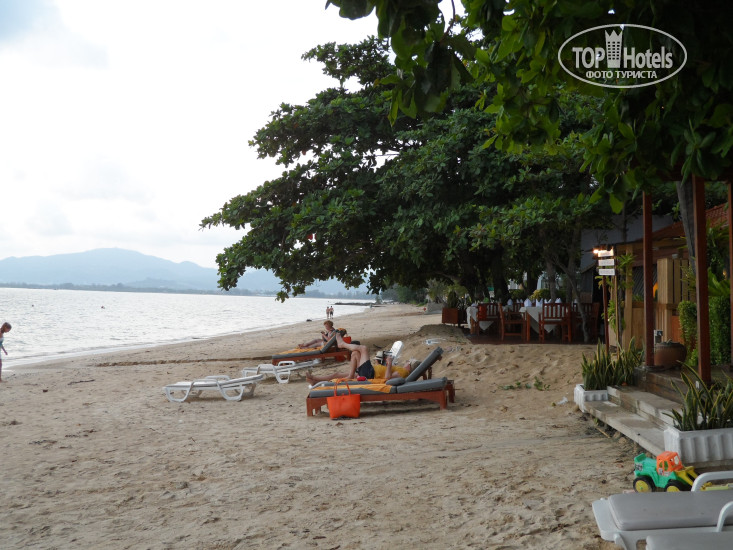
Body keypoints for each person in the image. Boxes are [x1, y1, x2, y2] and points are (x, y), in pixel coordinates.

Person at [306, 332, 417, 384]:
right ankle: (315, 380)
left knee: (363, 348)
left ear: (410, 367)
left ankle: (342, 344)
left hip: (370, 374)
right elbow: (385, 374)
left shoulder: (404, 373)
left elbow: (387, 379)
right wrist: (381, 362)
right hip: (369, 372)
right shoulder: (401, 370)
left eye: (409, 362)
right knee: (354, 353)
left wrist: (388, 364)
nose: (407, 362)